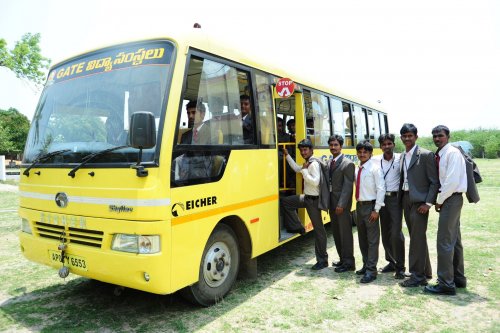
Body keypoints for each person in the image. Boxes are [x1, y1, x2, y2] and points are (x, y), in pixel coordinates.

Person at [424, 125, 467, 296]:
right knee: (454, 240)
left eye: (440, 135)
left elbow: (451, 182)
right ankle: (458, 278)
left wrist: (439, 201)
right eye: (434, 136)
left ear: (448, 136)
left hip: (450, 198)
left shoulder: (452, 153)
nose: (437, 139)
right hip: (450, 198)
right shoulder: (442, 154)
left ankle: (445, 284)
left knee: (444, 242)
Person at [398, 123, 439, 288]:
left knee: (416, 239)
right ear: (401, 138)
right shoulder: (402, 156)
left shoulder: (426, 155)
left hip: (419, 203)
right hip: (406, 199)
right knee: (418, 238)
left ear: (416, 137)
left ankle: (417, 276)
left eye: (410, 135)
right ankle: (425, 271)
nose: (407, 138)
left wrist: (428, 203)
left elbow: (434, 182)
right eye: (404, 136)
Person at [281, 139, 328, 270]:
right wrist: (287, 155)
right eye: (301, 150)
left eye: (305, 150)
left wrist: (305, 171)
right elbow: (297, 168)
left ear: (311, 150)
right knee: (286, 202)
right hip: (307, 198)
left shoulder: (312, 164)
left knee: (319, 230)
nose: (303, 152)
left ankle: (322, 260)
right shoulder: (308, 163)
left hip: (313, 201)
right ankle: (298, 227)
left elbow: (315, 181)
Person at [374, 134, 406, 279]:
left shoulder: (401, 158)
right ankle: (391, 262)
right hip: (381, 200)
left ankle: (400, 266)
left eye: (389, 144)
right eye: (384, 144)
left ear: (393, 144)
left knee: (396, 233)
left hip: (395, 200)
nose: (387, 146)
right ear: (380, 146)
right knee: (385, 233)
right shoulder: (375, 160)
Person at [353, 140, 385, 283]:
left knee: (372, 240)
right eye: (359, 152)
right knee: (362, 238)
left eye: (365, 152)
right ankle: (366, 265)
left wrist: (376, 209)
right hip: (359, 206)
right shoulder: (357, 168)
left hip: (371, 206)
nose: (362, 154)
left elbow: (381, 189)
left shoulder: (374, 168)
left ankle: (371, 271)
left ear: (371, 153)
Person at [325, 135, 356, 273]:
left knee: (345, 233)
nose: (333, 147)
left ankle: (349, 262)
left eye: (336, 145)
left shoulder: (347, 163)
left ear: (341, 146)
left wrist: (342, 204)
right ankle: (342, 259)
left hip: (341, 205)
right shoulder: (329, 162)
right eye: (331, 145)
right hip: (331, 202)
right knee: (336, 233)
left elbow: (348, 186)